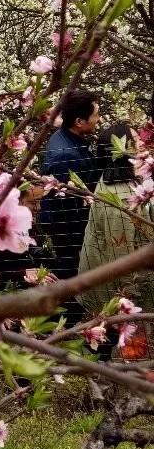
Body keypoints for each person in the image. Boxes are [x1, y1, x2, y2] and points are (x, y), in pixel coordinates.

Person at [78, 124, 154, 345]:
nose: (141, 141)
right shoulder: (118, 198)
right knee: (134, 343)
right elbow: (119, 251)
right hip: (120, 287)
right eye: (135, 139)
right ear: (123, 148)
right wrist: (129, 295)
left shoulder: (128, 180)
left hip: (133, 274)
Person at [39, 90, 105, 320]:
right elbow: (67, 208)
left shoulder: (67, 139)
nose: (99, 119)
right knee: (69, 277)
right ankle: (68, 324)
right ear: (79, 121)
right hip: (68, 231)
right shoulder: (67, 155)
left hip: (67, 228)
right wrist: (82, 241)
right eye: (96, 115)